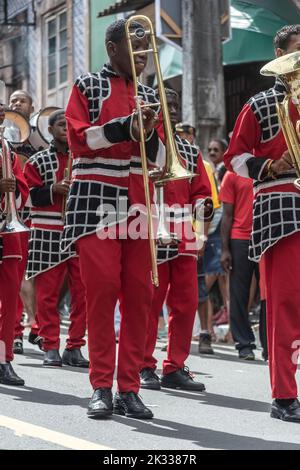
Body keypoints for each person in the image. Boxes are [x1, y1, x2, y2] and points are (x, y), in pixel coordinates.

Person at [61, 19, 163, 420]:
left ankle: (130, 388)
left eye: (145, 49)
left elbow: (156, 158)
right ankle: (101, 386)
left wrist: (152, 133)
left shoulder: (150, 94)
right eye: (135, 48)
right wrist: (126, 127)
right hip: (96, 197)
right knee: (102, 292)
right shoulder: (87, 85)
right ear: (113, 48)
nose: (142, 56)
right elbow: (78, 138)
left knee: (141, 297)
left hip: (137, 199)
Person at [224, 24, 300, 422]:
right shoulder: (257, 105)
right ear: (278, 54)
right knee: (285, 303)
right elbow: (235, 158)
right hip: (281, 203)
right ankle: (284, 395)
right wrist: (269, 164)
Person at [140, 89, 213, 391]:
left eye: (174, 104)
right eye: (164, 105)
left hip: (183, 230)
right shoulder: (141, 143)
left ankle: (175, 365)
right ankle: (143, 364)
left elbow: (200, 191)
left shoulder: (189, 149)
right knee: (149, 301)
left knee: (186, 301)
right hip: (147, 226)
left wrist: (204, 206)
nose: (170, 109)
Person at [24, 110, 88, 368]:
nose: (66, 128)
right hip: (46, 230)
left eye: (69, 124)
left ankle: (75, 345)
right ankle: (50, 345)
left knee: (82, 293)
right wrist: (53, 190)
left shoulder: (84, 159)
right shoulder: (37, 161)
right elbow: (26, 197)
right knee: (47, 294)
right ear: (49, 130)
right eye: (61, 124)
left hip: (78, 230)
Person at [0, 103, 29, 386]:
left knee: (9, 301)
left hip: (8, 234)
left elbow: (22, 189)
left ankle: (3, 359)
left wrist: (13, 190)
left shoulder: (7, 150)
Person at [219, 170, 261, 360]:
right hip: (240, 240)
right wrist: (225, 249)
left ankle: (269, 346)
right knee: (239, 294)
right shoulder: (232, 174)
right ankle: (244, 344)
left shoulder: (272, 166)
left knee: (270, 295)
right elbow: (226, 215)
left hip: (268, 237)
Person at [9, 90, 37, 355]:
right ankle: (14, 330)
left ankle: (34, 324)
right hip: (8, 214)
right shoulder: (5, 141)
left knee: (26, 274)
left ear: (31, 106)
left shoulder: (40, 140)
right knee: (13, 275)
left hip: (31, 216)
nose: (16, 104)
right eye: (13, 101)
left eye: (22, 101)